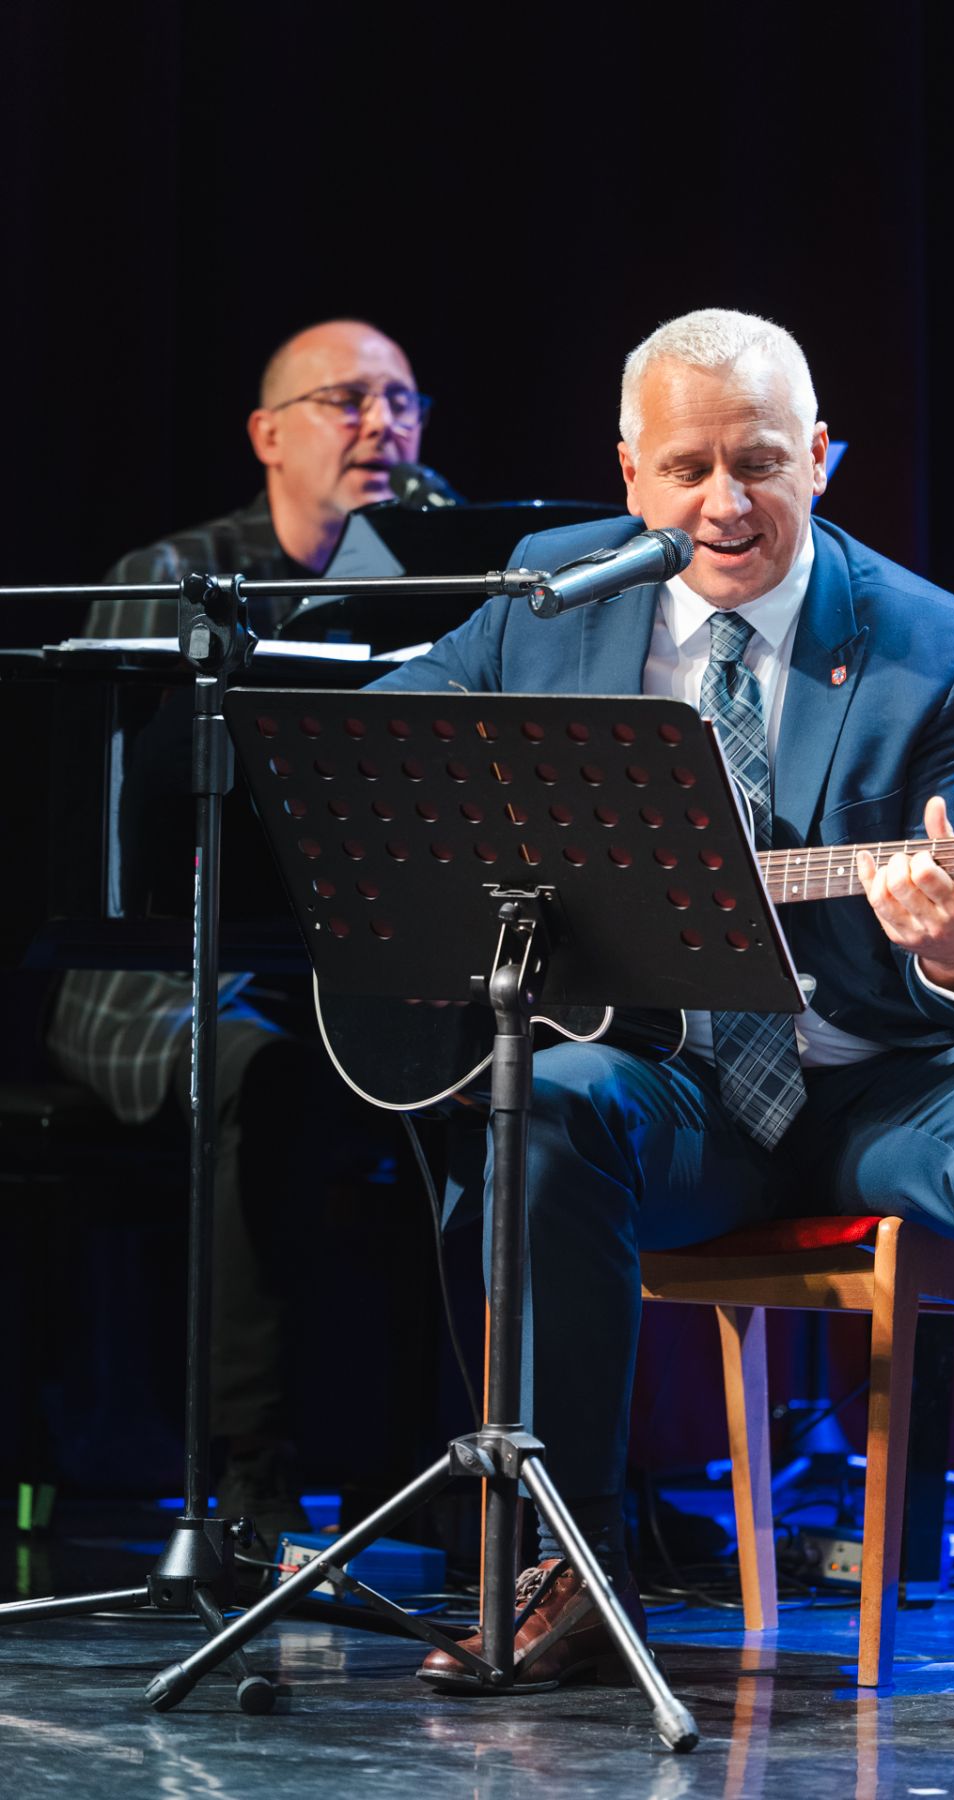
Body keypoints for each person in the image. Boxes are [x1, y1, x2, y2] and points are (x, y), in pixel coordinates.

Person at [368, 309, 954, 1747]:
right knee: (542, 1104)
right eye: (688, 468)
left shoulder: (937, 646)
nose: (725, 503)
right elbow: (397, 738)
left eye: (761, 463)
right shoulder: (553, 593)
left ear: (819, 457)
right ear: (629, 474)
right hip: (674, 1086)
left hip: (886, 1083)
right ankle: (573, 1567)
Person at [45, 319, 458, 1540]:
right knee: (266, 1078)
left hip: (339, 967)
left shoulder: (442, 577)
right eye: (349, 401)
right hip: (163, 975)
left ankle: (438, 1482)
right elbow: (107, 817)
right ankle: (252, 1479)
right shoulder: (177, 570)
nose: (383, 427)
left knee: (494, 1080)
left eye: (403, 402)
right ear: (269, 435)